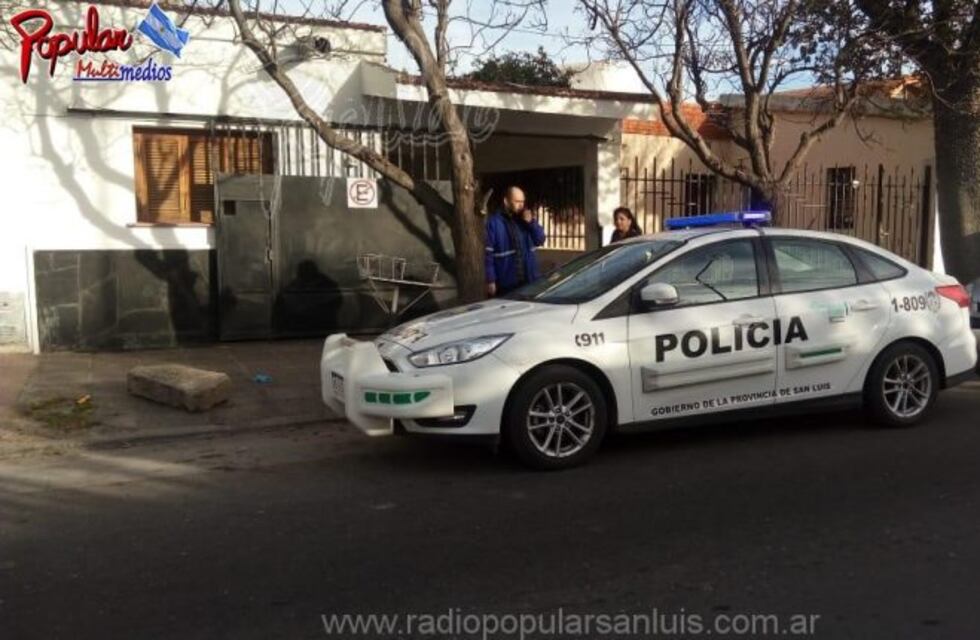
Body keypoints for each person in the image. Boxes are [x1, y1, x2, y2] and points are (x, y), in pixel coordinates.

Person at [485, 186, 546, 296]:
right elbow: (487, 253)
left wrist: (531, 223)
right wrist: (491, 280)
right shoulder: (494, 223)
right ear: (506, 202)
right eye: (517, 201)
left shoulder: (526, 221)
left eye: (522, 202)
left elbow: (540, 240)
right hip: (506, 284)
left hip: (529, 280)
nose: (521, 205)